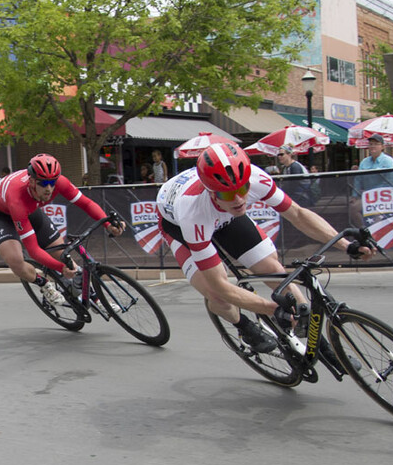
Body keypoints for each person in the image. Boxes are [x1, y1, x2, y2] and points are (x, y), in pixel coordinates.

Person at [155, 143, 374, 364]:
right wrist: (274, 310)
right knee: (217, 294)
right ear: (213, 193)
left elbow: (297, 214)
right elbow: (220, 285)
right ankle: (243, 326)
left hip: (226, 218)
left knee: (273, 270)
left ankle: (322, 345)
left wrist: (346, 245)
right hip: (178, 226)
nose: (239, 200)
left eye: (242, 190)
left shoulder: (255, 179)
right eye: (229, 194)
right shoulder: (193, 212)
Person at [0, 153, 124, 306]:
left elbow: (86, 203)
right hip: (2, 215)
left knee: (62, 254)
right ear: (32, 181)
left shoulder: (59, 183)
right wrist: (60, 268)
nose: (49, 188)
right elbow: (33, 249)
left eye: (52, 182)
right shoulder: (17, 199)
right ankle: (43, 283)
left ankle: (93, 297)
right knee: (15, 260)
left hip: (31, 211)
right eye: (43, 184)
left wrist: (108, 224)